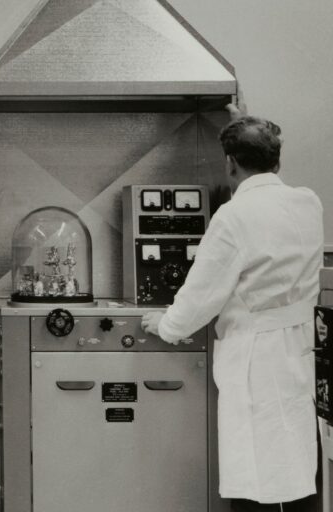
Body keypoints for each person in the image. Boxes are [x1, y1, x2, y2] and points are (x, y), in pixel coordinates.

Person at [141, 107, 323, 512]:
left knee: (256, 473)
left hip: (255, 357)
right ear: (276, 159)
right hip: (298, 349)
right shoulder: (308, 203)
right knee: (296, 465)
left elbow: (200, 295)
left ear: (229, 163)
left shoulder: (234, 216)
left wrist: (165, 325)